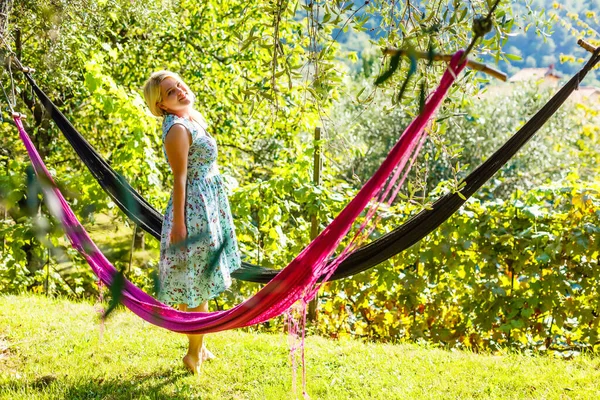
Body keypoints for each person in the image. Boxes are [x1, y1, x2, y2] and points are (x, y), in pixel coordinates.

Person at [143, 71, 241, 374]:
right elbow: (179, 178)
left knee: (200, 280)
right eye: (171, 92)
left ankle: (200, 344)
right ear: (162, 106)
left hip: (208, 204)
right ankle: (192, 353)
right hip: (195, 210)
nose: (181, 91)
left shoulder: (191, 118)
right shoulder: (177, 130)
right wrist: (180, 226)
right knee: (198, 283)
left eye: (179, 85)